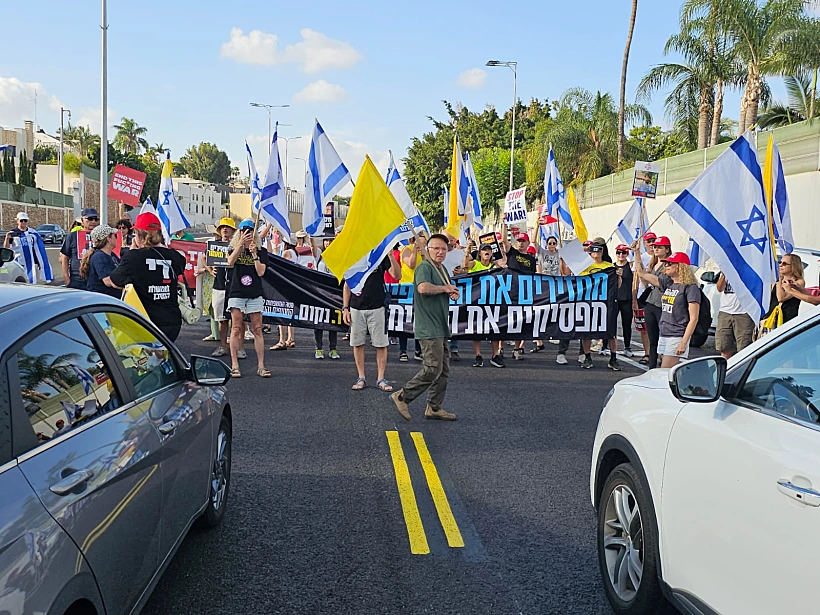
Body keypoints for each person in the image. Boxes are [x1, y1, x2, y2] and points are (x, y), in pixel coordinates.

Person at [391, 234, 460, 421]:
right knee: (431, 369)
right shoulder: (424, 267)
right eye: (436, 248)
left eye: (443, 249)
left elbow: (446, 288)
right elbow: (422, 288)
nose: (440, 252)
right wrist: (445, 289)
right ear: (427, 250)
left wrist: (452, 292)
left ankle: (434, 407)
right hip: (429, 328)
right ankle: (402, 396)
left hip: (441, 326)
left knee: (443, 371)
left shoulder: (442, 269)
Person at [106, 212, 186, 341]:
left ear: (138, 235)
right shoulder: (174, 256)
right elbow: (179, 266)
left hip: (146, 320)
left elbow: (115, 281)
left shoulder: (133, 257)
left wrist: (133, 249)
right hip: (172, 320)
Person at [343, 250, 401, 391]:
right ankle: (361, 377)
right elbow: (347, 285)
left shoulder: (379, 254)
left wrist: (389, 255)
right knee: (357, 343)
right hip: (356, 306)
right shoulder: (353, 255)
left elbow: (397, 275)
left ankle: (381, 378)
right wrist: (345, 307)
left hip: (378, 306)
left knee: (381, 344)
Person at [635, 251, 701, 368]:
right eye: (665, 263)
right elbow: (642, 274)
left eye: (670, 263)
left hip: (677, 335)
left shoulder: (691, 288)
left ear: (680, 266)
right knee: (665, 372)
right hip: (664, 333)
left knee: (664, 371)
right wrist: (636, 252)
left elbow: (694, 318)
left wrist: (683, 342)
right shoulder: (668, 283)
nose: (666, 266)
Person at [226, 219, 270, 378]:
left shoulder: (261, 251)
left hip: (254, 293)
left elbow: (261, 272)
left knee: (257, 329)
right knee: (236, 328)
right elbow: (230, 262)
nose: (247, 234)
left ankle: (261, 365)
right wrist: (240, 246)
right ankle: (235, 365)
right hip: (237, 292)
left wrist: (254, 254)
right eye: (244, 232)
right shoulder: (233, 247)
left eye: (250, 232)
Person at [500, 224, 537, 360]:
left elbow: (534, 276)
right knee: (504, 320)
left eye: (523, 241)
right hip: (509, 291)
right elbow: (504, 240)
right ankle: (500, 348)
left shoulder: (531, 259)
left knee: (521, 322)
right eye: (519, 241)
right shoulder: (512, 253)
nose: (521, 244)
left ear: (527, 243)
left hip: (524, 294)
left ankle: (517, 348)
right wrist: (504, 223)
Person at [467, 243, 504, 368]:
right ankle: (478, 355)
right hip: (476, 302)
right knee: (477, 329)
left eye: (489, 250)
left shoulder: (494, 266)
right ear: (480, 253)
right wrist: (467, 249)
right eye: (484, 250)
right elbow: (465, 265)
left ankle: (495, 355)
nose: (487, 252)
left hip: (492, 302)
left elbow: (504, 272)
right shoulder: (475, 264)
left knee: (495, 328)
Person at [640, 235, 672, 368]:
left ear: (667, 249)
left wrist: (643, 274)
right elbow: (644, 278)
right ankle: (651, 367)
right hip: (651, 303)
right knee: (653, 339)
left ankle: (665, 366)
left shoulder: (669, 265)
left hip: (662, 304)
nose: (656, 249)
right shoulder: (654, 263)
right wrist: (637, 253)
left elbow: (655, 280)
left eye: (659, 247)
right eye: (654, 246)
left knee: (664, 339)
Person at [209, 218, 239, 358]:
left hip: (235, 287)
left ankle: (239, 348)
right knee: (222, 319)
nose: (225, 230)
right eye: (222, 227)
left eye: (228, 227)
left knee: (238, 320)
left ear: (233, 231)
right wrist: (210, 270)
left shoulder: (237, 246)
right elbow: (204, 258)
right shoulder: (215, 246)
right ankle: (223, 346)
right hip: (219, 286)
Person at [398, 235, 426, 362]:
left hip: (420, 287)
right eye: (420, 241)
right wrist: (415, 249)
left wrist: (424, 254)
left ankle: (418, 350)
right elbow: (411, 264)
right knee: (404, 319)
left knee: (419, 319)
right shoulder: (406, 249)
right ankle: (403, 350)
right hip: (407, 288)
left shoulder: (425, 251)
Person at [715, 272, 755, 359]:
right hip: (725, 311)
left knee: (744, 347)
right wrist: (724, 274)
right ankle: (726, 370)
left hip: (743, 312)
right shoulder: (727, 268)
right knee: (724, 346)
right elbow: (719, 288)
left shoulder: (747, 269)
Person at [4, 212, 51, 283]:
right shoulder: (13, 232)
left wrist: (39, 261)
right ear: (17, 221)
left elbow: (38, 248)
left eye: (25, 220)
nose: (23, 222)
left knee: (31, 280)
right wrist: (7, 238)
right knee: (18, 280)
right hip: (18, 261)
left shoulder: (32, 233)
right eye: (21, 220)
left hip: (30, 261)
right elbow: (6, 247)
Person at [60, 208, 101, 289]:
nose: (93, 222)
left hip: (97, 279)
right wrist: (66, 278)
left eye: (96, 219)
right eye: (89, 219)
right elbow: (64, 257)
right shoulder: (72, 236)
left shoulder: (102, 236)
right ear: (82, 220)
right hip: (77, 279)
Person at [314, 236, 341, 360]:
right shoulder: (319, 255)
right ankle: (318, 348)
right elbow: (312, 246)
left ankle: (333, 349)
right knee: (318, 322)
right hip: (320, 294)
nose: (328, 243)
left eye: (330, 241)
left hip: (333, 295)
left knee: (333, 322)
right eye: (326, 240)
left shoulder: (337, 257)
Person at [762, 254, 805, 326]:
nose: (781, 265)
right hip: (771, 319)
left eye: (784, 264)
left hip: (786, 320)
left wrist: (779, 279)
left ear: (793, 266)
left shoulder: (798, 282)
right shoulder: (777, 281)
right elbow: (768, 300)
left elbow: (781, 298)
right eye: (780, 262)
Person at [271, 235, 298, 350]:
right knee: (290, 312)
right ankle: (291, 338)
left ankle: (282, 339)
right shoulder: (296, 253)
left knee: (281, 311)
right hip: (293, 284)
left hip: (284, 285)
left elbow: (280, 265)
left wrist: (276, 253)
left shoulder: (287, 253)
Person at [80, 224, 120, 298]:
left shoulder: (112, 255)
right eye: (115, 236)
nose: (116, 238)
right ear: (108, 238)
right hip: (102, 300)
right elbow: (108, 281)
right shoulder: (99, 257)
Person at [614, 244, 635, 357]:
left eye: (623, 252)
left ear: (627, 254)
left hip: (627, 299)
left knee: (626, 324)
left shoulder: (630, 266)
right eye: (618, 252)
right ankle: (605, 345)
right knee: (611, 324)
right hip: (615, 299)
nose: (621, 255)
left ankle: (627, 347)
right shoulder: (612, 267)